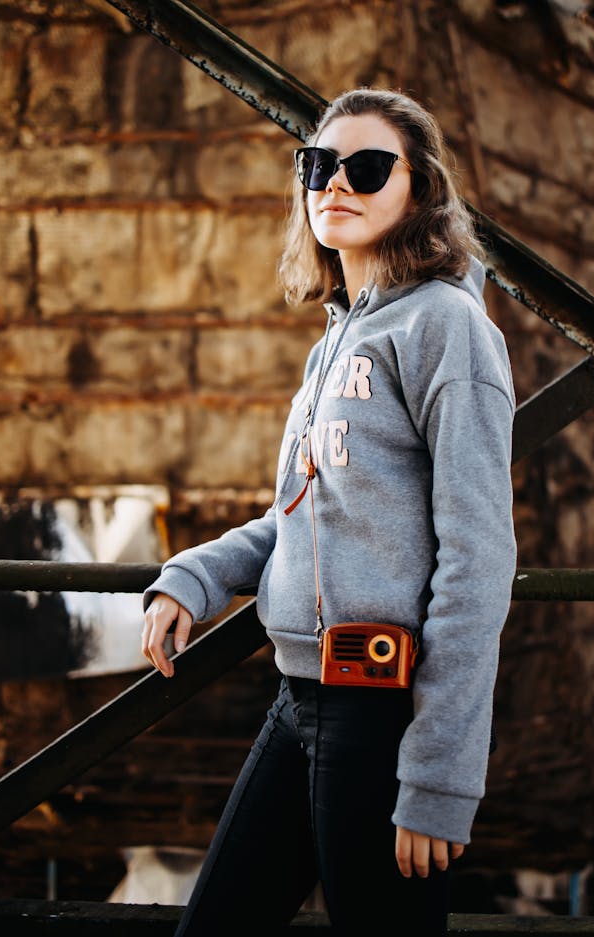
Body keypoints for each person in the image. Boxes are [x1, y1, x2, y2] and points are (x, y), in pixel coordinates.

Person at [141, 87, 517, 936]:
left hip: (384, 716)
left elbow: (479, 557)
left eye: (368, 166)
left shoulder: (447, 330)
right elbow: (299, 520)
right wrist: (192, 578)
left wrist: (438, 779)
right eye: (318, 165)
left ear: (418, 191)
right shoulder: (333, 340)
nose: (334, 183)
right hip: (297, 697)